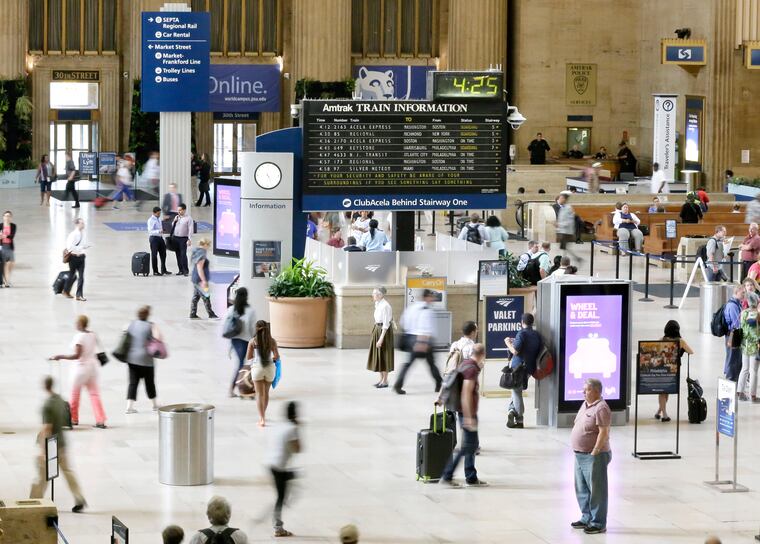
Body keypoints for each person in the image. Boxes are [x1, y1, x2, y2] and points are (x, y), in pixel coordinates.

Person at [29, 376, 87, 511]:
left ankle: (33, 502)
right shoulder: (60, 400)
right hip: (61, 443)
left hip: (51, 446)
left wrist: (43, 451)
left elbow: (47, 428)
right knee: (67, 471)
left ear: (44, 386)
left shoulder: (47, 405)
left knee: (42, 476)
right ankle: (79, 497)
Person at [439, 343, 487, 487]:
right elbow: (466, 393)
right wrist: (468, 416)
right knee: (467, 447)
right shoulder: (471, 369)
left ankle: (471, 477)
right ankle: (447, 476)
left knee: (471, 446)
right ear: (482, 355)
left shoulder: (465, 363)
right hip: (467, 413)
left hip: (466, 412)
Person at [49, 314, 107, 428]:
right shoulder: (93, 334)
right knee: (94, 394)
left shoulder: (79, 337)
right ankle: (100, 420)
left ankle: (73, 418)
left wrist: (60, 356)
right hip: (92, 369)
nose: (75, 325)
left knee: (75, 394)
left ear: (80, 324)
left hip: (80, 369)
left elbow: (77, 355)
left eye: (76, 323)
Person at [570, 378, 611, 534]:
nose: (583, 392)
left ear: (596, 391)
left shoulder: (601, 408)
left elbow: (604, 432)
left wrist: (595, 450)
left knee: (597, 490)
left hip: (594, 454)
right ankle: (586, 517)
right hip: (580, 454)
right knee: (582, 488)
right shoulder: (586, 404)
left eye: (586, 390)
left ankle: (598, 522)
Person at [395, 289, 443, 394]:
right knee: (431, 363)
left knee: (408, 363)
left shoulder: (411, 308)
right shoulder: (426, 309)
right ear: (425, 297)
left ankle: (398, 385)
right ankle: (439, 384)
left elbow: (403, 322)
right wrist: (422, 342)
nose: (433, 299)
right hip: (423, 340)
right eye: (431, 296)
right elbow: (424, 327)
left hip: (410, 339)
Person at [268, 402, 301, 538]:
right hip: (279, 467)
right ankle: (278, 527)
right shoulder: (292, 428)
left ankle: (278, 522)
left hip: (272, 463)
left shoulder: (281, 425)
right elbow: (298, 448)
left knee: (284, 494)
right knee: (281, 497)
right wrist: (297, 429)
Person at [504, 313, 542, 429]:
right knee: (516, 390)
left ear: (522, 322)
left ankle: (519, 418)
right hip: (530, 368)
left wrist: (507, 342)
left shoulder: (522, 333)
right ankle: (511, 411)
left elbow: (515, 351)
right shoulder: (536, 334)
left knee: (516, 392)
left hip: (518, 368)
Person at [125, 306, 162, 414]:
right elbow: (158, 338)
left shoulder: (131, 324)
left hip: (132, 359)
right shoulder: (151, 326)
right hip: (146, 360)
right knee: (149, 383)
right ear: (147, 315)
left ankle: (129, 407)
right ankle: (155, 405)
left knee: (133, 383)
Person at [656, 320, 693, 422]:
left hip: (662, 370)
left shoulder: (661, 340)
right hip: (674, 371)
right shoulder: (680, 342)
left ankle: (660, 411)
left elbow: (656, 353)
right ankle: (664, 415)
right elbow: (691, 352)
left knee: (663, 392)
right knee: (666, 391)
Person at [246, 320, 280, 426]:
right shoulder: (272, 341)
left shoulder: (253, 341)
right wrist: (272, 358)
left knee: (259, 394)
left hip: (257, 369)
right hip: (270, 368)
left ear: (256, 328)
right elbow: (277, 356)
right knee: (266, 393)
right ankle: (263, 415)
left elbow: (248, 357)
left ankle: (262, 418)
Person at [225, 287, 256, 397]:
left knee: (242, 364)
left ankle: (242, 387)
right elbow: (252, 329)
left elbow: (226, 325)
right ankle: (237, 388)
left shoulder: (232, 309)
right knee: (242, 365)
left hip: (234, 340)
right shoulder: (250, 311)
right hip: (245, 341)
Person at [367, 287, 394, 388]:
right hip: (378, 328)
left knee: (384, 355)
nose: (373, 295)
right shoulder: (378, 304)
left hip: (384, 331)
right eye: (373, 293)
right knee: (379, 355)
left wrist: (381, 338)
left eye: (375, 293)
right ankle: (381, 379)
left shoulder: (385, 306)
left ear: (380, 295)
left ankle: (385, 380)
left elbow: (386, 324)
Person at [738, 300, 760, 402]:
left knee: (744, 368)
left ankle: (740, 392)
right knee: (753, 371)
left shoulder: (744, 313)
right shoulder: (757, 315)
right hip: (755, 346)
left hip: (744, 345)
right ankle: (753, 395)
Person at [62, 218, 89, 301]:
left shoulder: (83, 233)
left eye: (83, 223)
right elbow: (69, 246)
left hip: (81, 257)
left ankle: (79, 295)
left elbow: (83, 244)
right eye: (81, 223)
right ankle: (66, 290)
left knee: (81, 277)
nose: (83, 224)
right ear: (77, 224)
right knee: (72, 275)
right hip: (73, 258)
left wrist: (85, 247)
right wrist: (81, 247)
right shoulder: (73, 234)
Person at [190, 239, 217, 319]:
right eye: (208, 245)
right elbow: (200, 268)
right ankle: (211, 314)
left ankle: (192, 313)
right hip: (200, 279)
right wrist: (204, 280)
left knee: (196, 296)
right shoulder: (202, 253)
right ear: (205, 245)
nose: (209, 247)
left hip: (195, 278)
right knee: (206, 296)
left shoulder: (196, 251)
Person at [724, 285, 745, 381]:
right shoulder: (732, 305)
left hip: (735, 335)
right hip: (732, 335)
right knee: (732, 357)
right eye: (742, 293)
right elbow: (737, 323)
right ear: (736, 293)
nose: (744, 295)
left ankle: (733, 376)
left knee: (735, 357)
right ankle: (730, 377)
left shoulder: (737, 303)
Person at [555, 193, 583, 263]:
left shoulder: (568, 208)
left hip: (566, 232)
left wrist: (559, 225)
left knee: (564, 247)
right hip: (563, 231)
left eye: (561, 198)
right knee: (564, 247)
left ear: (564, 199)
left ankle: (564, 261)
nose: (559, 200)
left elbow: (569, 221)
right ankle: (575, 259)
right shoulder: (563, 207)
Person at [148, 206, 171, 276]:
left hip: (160, 238)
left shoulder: (159, 219)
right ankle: (155, 271)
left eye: (160, 213)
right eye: (158, 214)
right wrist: (159, 231)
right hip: (154, 239)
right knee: (154, 255)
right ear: (154, 213)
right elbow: (150, 231)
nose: (159, 215)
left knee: (163, 254)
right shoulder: (151, 220)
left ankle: (163, 269)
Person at [172, 204, 193, 276]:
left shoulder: (188, 218)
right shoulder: (177, 217)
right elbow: (173, 226)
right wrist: (174, 221)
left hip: (183, 238)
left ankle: (185, 270)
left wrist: (189, 239)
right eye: (178, 210)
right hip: (176, 238)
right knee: (177, 255)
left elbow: (190, 229)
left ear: (184, 210)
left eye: (180, 210)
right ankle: (180, 270)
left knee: (183, 255)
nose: (179, 211)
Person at [1, 210, 16, 288]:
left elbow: (12, 236)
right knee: (5, 265)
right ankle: (5, 281)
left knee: (11, 264)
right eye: (6, 216)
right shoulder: (0, 225)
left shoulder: (13, 226)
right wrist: (5, 236)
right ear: (3, 217)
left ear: (11, 218)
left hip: (10, 247)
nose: (7, 217)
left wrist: (4, 236)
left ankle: (7, 280)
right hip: (2, 247)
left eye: (9, 216)